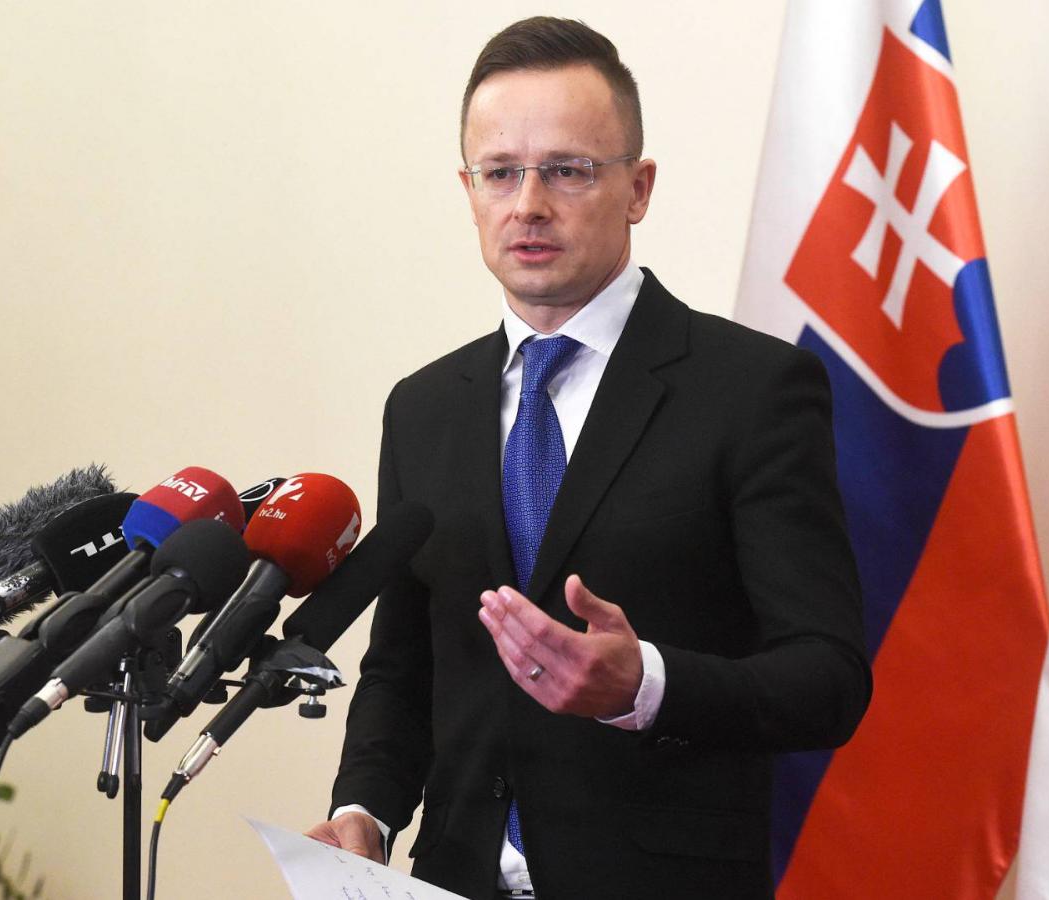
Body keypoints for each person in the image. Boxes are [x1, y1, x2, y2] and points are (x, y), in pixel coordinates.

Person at [305, 17, 870, 899]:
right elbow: (404, 666)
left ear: (638, 188)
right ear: (469, 190)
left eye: (568, 170)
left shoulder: (753, 389)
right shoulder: (423, 408)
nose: (529, 204)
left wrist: (644, 684)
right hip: (454, 879)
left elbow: (827, 678)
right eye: (500, 172)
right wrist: (365, 812)